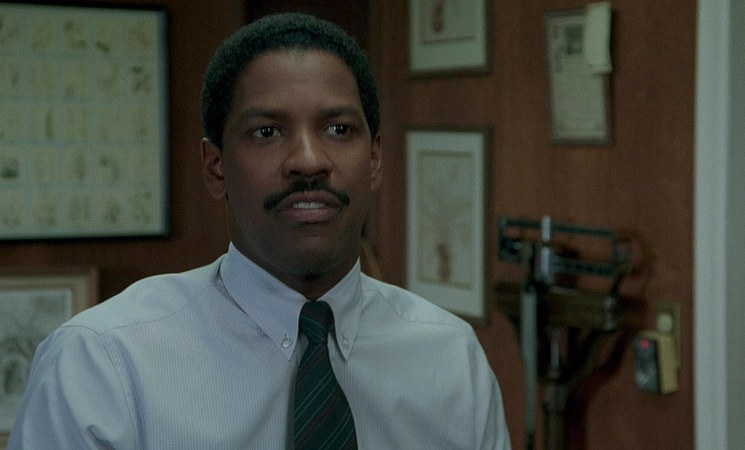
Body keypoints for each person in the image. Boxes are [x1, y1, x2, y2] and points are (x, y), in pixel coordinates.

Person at [8, 13, 510, 449]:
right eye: (267, 132)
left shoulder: (451, 361)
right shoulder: (103, 365)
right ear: (216, 167)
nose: (308, 160)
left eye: (339, 129)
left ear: (375, 158)